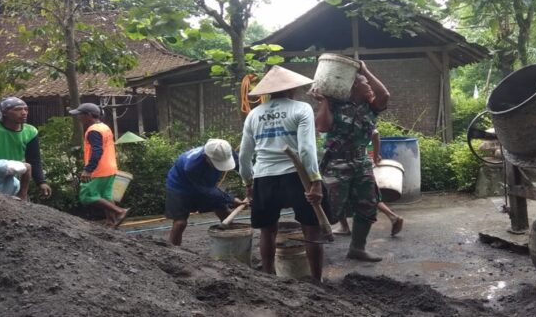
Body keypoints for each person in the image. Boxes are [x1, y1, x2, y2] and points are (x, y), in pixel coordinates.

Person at [239, 65, 328, 281]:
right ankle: (316, 280)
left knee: (267, 231)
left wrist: (248, 183)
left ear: (268, 92)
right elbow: (306, 149)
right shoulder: (301, 108)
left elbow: (243, 154)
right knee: (311, 229)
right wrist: (315, 181)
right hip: (295, 176)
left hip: (264, 176)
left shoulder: (254, 114)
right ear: (292, 90)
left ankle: (268, 277)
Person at [312, 60, 390, 262]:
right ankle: (312, 249)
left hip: (361, 160)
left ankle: (357, 248)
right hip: (336, 164)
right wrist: (324, 102)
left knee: (368, 205)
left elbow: (385, 95)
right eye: (366, 84)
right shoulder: (336, 104)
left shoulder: (370, 108)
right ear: (355, 86)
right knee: (331, 208)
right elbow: (322, 126)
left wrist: (365, 71)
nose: (370, 87)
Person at [165, 138, 245, 246]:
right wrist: (231, 199)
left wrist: (251, 182)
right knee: (180, 223)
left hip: (206, 185)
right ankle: (172, 251)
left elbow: (242, 166)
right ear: (207, 157)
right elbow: (208, 190)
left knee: (224, 212)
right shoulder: (192, 166)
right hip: (179, 187)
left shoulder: (225, 150)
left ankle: (233, 244)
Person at [332, 128, 404, 237]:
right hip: (363, 164)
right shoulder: (362, 119)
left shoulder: (340, 119)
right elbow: (374, 135)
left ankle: (344, 227)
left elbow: (374, 134)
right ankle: (393, 217)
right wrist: (374, 156)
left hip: (344, 166)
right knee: (370, 194)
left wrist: (374, 156)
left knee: (338, 194)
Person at [69, 103, 128, 228]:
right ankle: (111, 221)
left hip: (98, 170)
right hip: (110, 167)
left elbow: (97, 151)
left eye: (80, 115)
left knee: (86, 196)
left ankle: (119, 212)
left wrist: (88, 169)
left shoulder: (93, 131)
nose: (78, 117)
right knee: (106, 195)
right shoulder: (104, 127)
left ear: (88, 115)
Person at [0, 97, 52, 200]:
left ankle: (22, 196)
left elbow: (34, 159)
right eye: (18, 109)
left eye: (25, 109)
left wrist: (41, 182)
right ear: (4, 112)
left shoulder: (30, 132)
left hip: (12, 176)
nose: (24, 113)